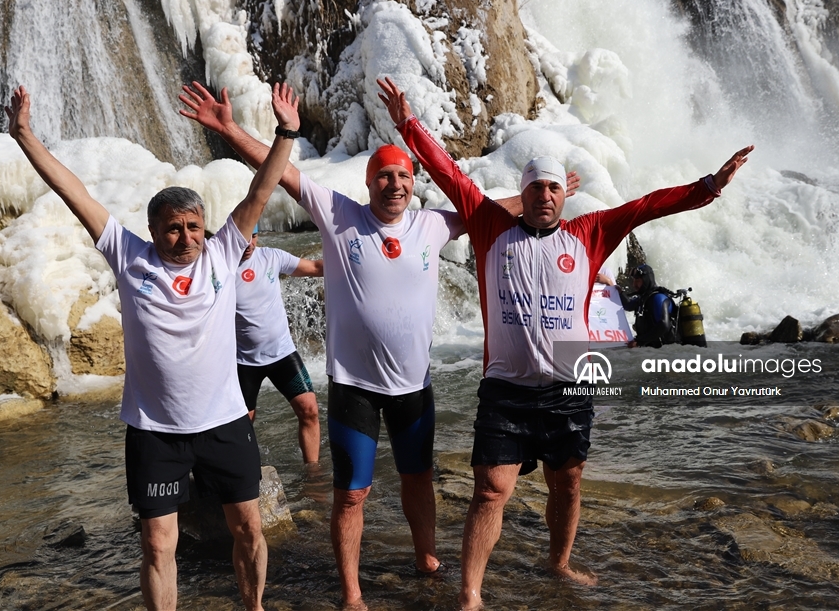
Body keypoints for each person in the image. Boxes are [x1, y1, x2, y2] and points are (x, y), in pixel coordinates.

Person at [178, 82, 580, 609]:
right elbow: (283, 173)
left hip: (415, 386)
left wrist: (543, 194)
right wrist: (230, 128)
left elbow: (490, 208)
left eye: (404, 177)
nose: (395, 184)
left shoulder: (432, 225)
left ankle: (426, 558)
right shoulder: (339, 215)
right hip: (354, 388)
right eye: (385, 176)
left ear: (413, 185)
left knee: (419, 481)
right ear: (369, 183)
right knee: (351, 494)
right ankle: (351, 593)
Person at [378, 76, 750, 610]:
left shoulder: (589, 234)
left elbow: (646, 206)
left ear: (563, 195)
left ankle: (558, 561)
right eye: (535, 188)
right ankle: (471, 594)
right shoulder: (487, 225)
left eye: (553, 188)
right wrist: (407, 123)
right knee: (489, 490)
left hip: (568, 386)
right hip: (504, 387)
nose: (544, 196)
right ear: (522, 194)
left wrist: (708, 187)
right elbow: (446, 171)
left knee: (568, 484)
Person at [5, 82, 301, 611]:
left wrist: (286, 132)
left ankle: (253, 606)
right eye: (172, 229)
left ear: (206, 229)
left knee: (250, 529)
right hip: (154, 432)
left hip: (225, 422)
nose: (184, 237)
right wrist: (25, 134)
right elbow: (75, 192)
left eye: (193, 227)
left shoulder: (225, 252)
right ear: (152, 231)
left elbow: (260, 191)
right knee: (156, 543)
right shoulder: (128, 256)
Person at [235, 227, 324, 470]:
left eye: (253, 236)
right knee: (241, 425)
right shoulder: (220, 267)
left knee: (309, 410)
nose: (249, 244)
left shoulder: (272, 257)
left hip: (283, 354)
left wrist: (355, 263)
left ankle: (313, 472)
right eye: (243, 237)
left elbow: (316, 268)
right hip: (244, 361)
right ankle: (242, 476)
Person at [620, 263, 679, 348]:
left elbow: (663, 325)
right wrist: (614, 288)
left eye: (638, 281)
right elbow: (628, 305)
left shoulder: (658, 298)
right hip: (653, 350)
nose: (634, 284)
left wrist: (639, 342)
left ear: (646, 280)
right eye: (634, 280)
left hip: (668, 351)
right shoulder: (644, 298)